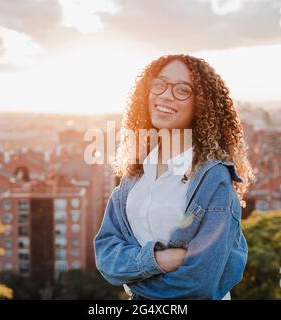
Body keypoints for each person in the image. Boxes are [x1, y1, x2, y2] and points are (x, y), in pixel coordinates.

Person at [94, 54, 255, 299]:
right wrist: (157, 260)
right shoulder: (136, 172)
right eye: (159, 85)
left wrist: (132, 283)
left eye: (182, 90)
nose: (166, 95)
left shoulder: (213, 179)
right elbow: (105, 254)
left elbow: (200, 282)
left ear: (200, 104)